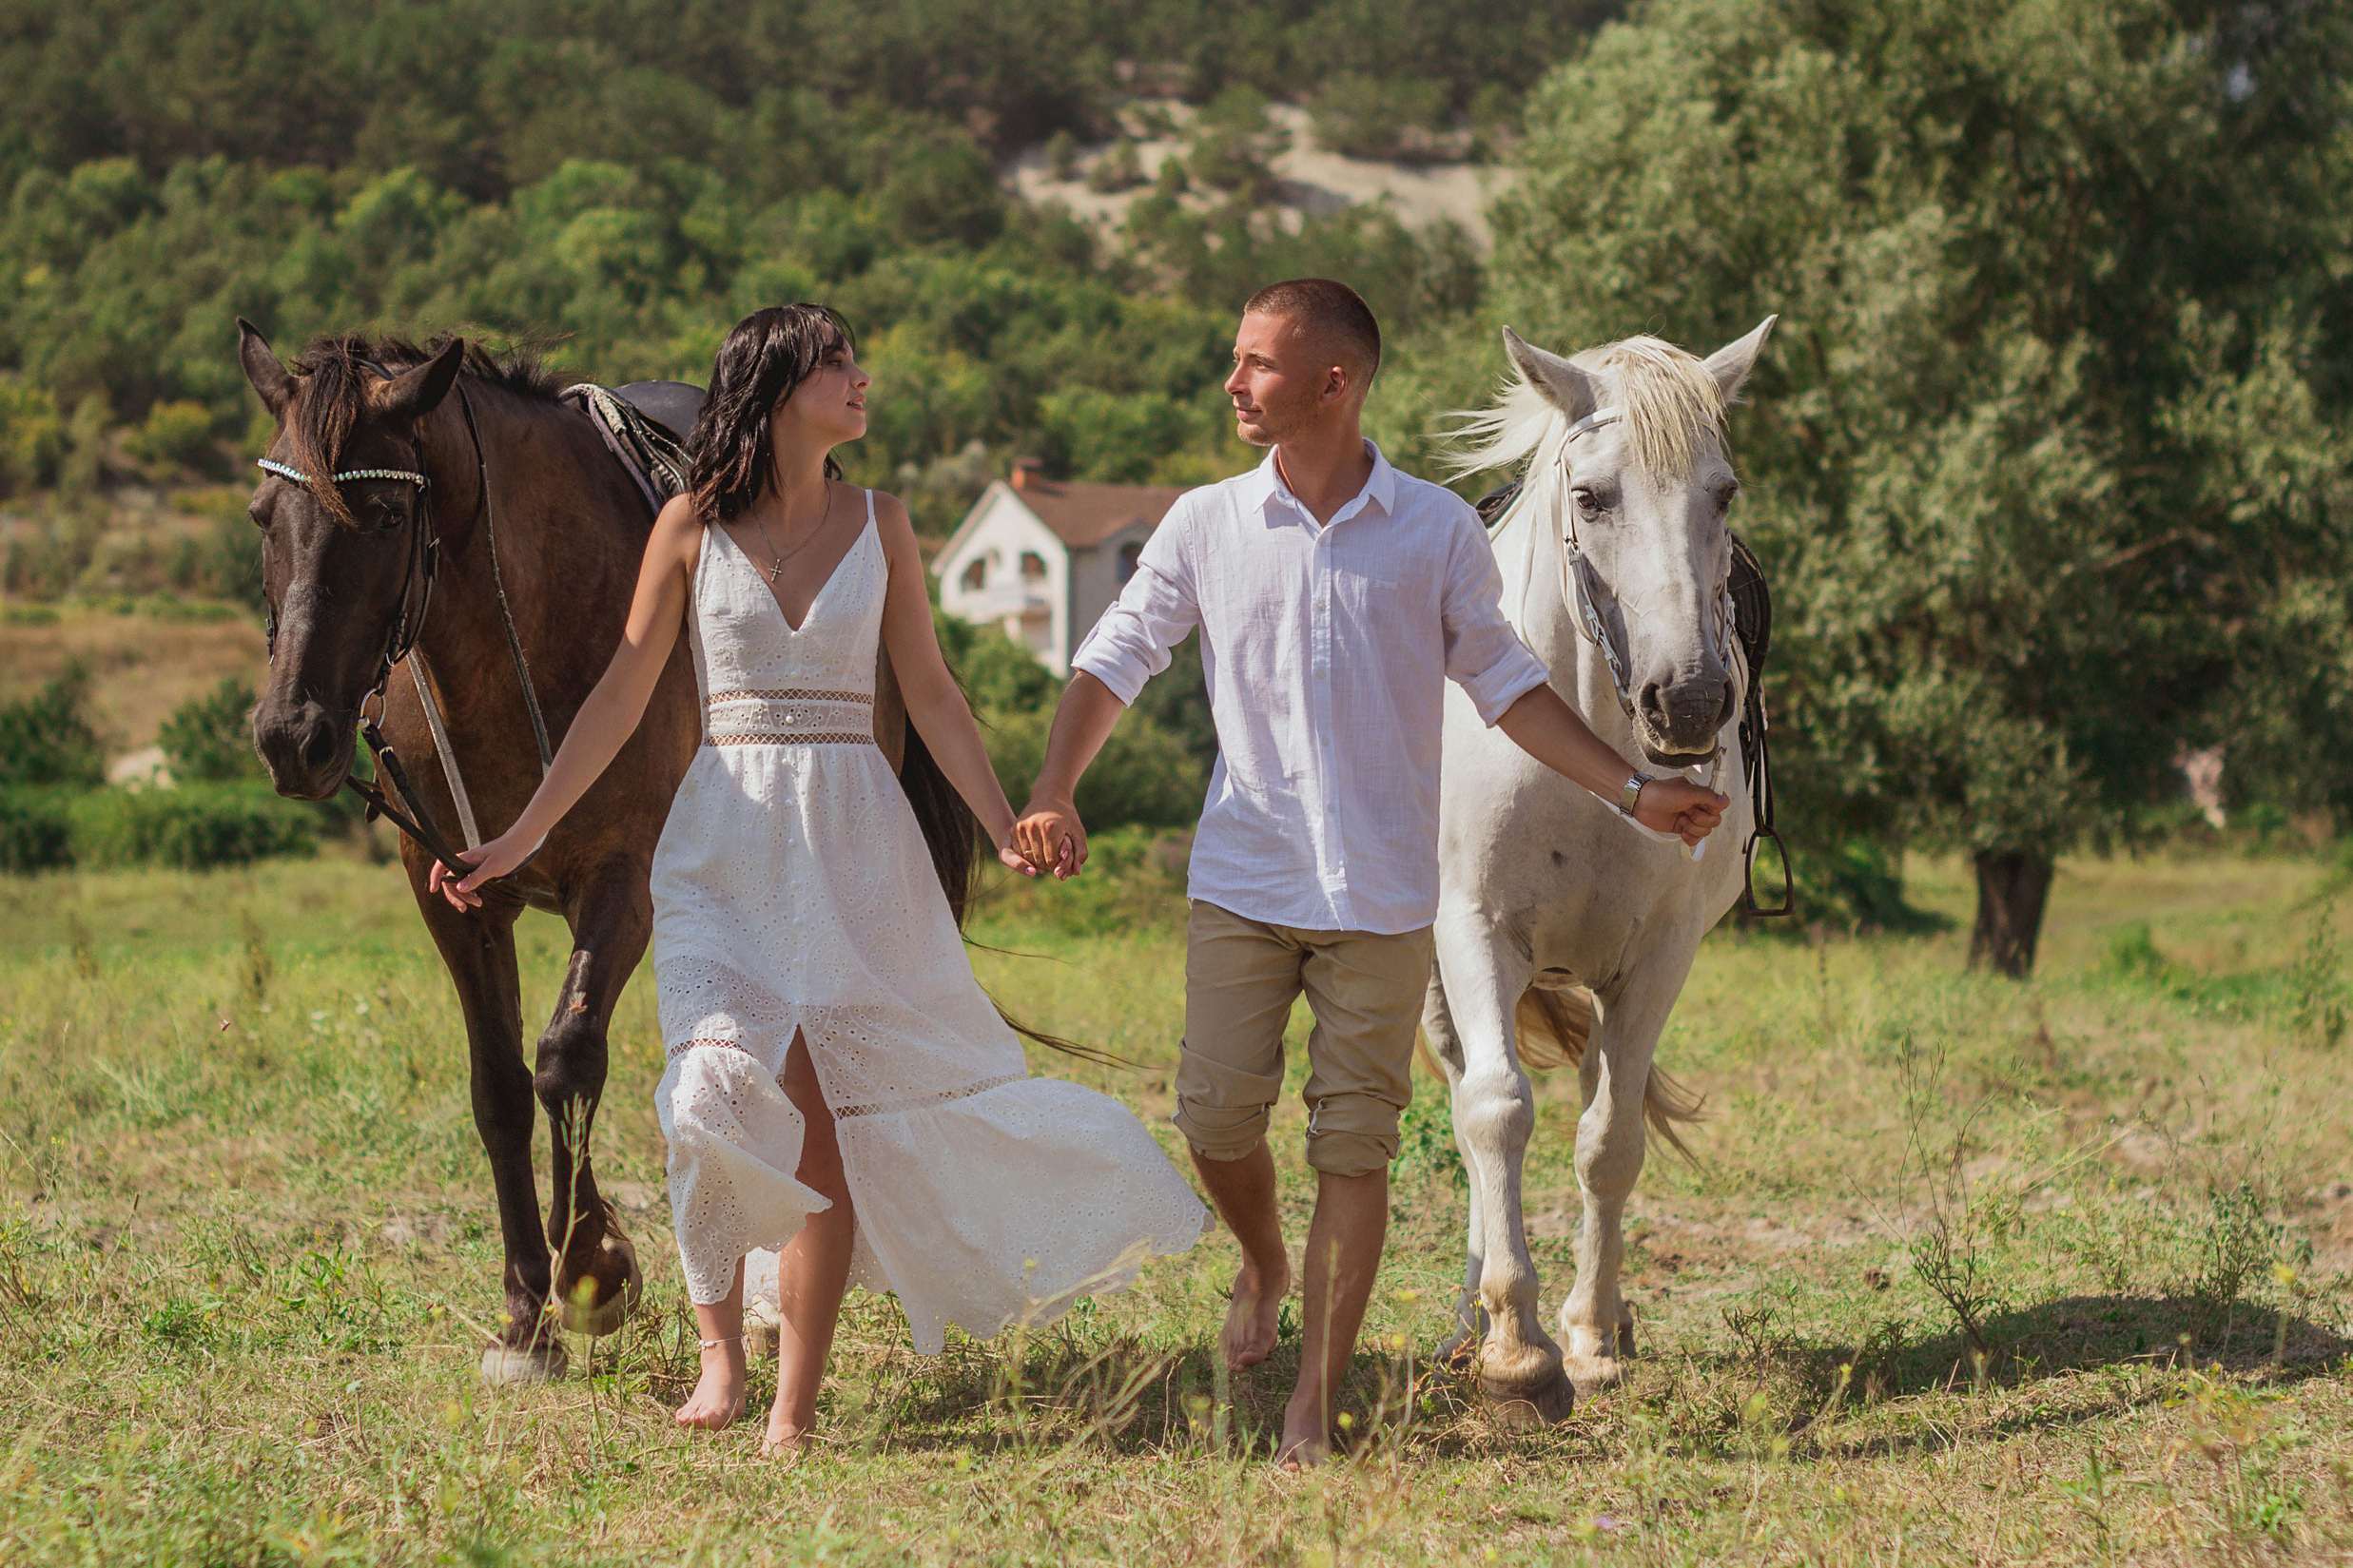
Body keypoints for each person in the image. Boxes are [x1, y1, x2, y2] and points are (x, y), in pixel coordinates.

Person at [432, 304, 1205, 1457]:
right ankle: (716, 1353)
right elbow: (617, 699)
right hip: (721, 844)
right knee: (707, 1097)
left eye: (853, 357)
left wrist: (1002, 822)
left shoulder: (881, 522)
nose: (860, 377)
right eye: (836, 363)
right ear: (775, 386)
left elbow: (933, 694)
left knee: (826, 1135)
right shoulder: (690, 526)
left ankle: (790, 1400)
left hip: (853, 846)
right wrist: (516, 831)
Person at [1015, 279, 1726, 1465]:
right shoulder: (1203, 523)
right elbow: (1115, 655)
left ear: (1333, 384)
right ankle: (1263, 1256)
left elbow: (1507, 688)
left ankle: (1313, 1398)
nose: (1232, 382)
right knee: (1212, 1111)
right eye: (1234, 359)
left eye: (1254, 362)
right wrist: (1051, 784)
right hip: (1244, 878)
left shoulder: (1436, 530)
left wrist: (1634, 790)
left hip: (1386, 900)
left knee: (1355, 1146)